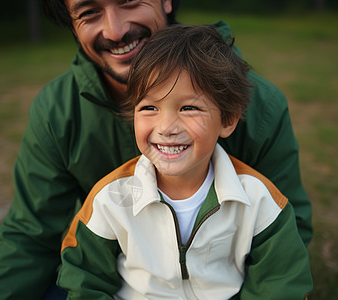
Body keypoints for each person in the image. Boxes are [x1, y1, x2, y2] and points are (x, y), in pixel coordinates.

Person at [0, 0, 312, 298]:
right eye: (90, 12)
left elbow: (284, 240)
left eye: (129, 0)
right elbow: (32, 241)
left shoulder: (261, 107)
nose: (115, 30)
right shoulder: (58, 115)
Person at [57, 24, 313, 299]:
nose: (166, 127)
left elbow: (280, 282)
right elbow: (84, 279)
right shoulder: (110, 199)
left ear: (227, 120)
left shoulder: (258, 199)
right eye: (149, 108)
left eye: (189, 108)